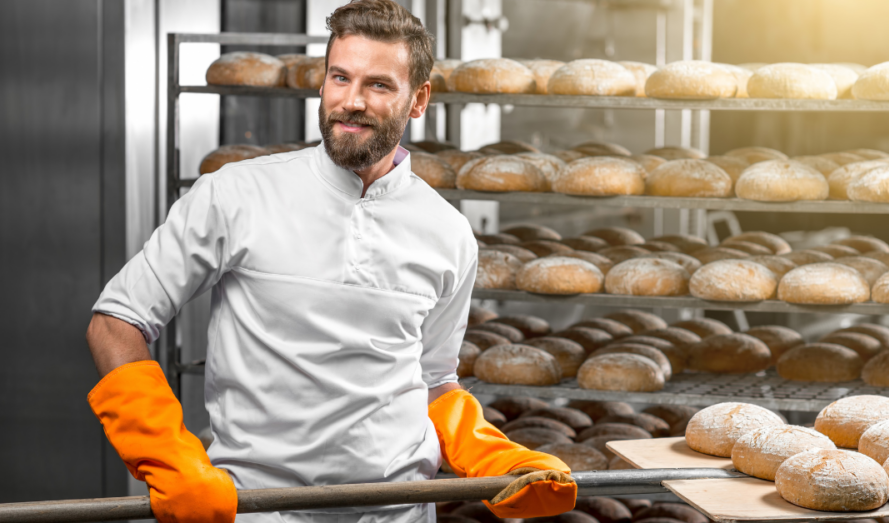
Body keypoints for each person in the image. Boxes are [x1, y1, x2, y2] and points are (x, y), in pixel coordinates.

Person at [84, 1, 575, 522]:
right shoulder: (236, 194)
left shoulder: (447, 231)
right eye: (340, 78)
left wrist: (488, 451)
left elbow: (434, 378)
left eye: (379, 85)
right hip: (260, 507)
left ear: (418, 99)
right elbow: (116, 321)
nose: (352, 101)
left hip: (397, 510)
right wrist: (169, 457)